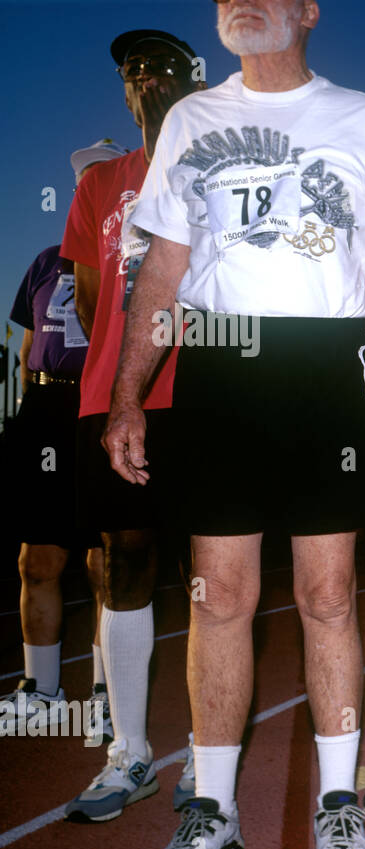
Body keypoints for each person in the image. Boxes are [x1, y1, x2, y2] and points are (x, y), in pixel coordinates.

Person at [110, 0, 365, 849]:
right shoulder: (190, 118)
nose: (240, 5)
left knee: (331, 594)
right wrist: (129, 394)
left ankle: (339, 800)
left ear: (306, 12)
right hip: (220, 359)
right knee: (221, 598)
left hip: (326, 365)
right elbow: (164, 270)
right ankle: (211, 810)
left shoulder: (363, 119)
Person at [59, 31, 205, 822]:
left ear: (190, 80)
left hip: (202, 390)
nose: (144, 79)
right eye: (132, 71)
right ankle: (130, 752)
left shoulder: (210, 165)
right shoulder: (100, 185)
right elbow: (89, 300)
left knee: (212, 562)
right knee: (124, 561)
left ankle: (208, 758)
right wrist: (123, 377)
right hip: (115, 396)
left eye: (161, 68)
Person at [3, 140, 125, 740]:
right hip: (49, 406)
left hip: (100, 405)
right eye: (82, 180)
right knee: (38, 557)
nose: (88, 187)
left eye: (101, 178)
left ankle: (107, 695)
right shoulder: (46, 261)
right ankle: (42, 692)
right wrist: (32, 413)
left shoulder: (132, 259)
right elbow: (28, 353)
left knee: (106, 556)